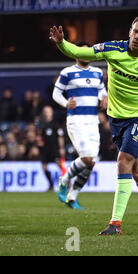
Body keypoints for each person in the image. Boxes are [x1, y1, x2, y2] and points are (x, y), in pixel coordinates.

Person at [49, 15, 138, 235]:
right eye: (135, 31)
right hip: (117, 120)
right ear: (130, 31)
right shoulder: (113, 49)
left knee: (123, 161)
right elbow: (79, 53)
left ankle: (116, 223)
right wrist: (61, 43)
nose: (137, 36)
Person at [52, 41, 108, 209]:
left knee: (92, 162)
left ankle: (72, 196)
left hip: (92, 121)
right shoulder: (67, 72)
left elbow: (102, 92)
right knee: (86, 158)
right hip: (76, 120)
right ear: (76, 54)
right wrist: (65, 103)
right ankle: (64, 181)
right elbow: (56, 93)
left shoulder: (97, 73)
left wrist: (104, 99)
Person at [37, 105, 66, 192]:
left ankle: (66, 182)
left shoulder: (55, 124)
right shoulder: (41, 124)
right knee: (44, 167)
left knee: (60, 166)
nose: (47, 113)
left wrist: (61, 148)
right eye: (45, 111)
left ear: (51, 113)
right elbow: (39, 136)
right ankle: (50, 184)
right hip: (45, 149)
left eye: (48, 111)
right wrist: (39, 141)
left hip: (54, 148)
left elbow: (60, 136)